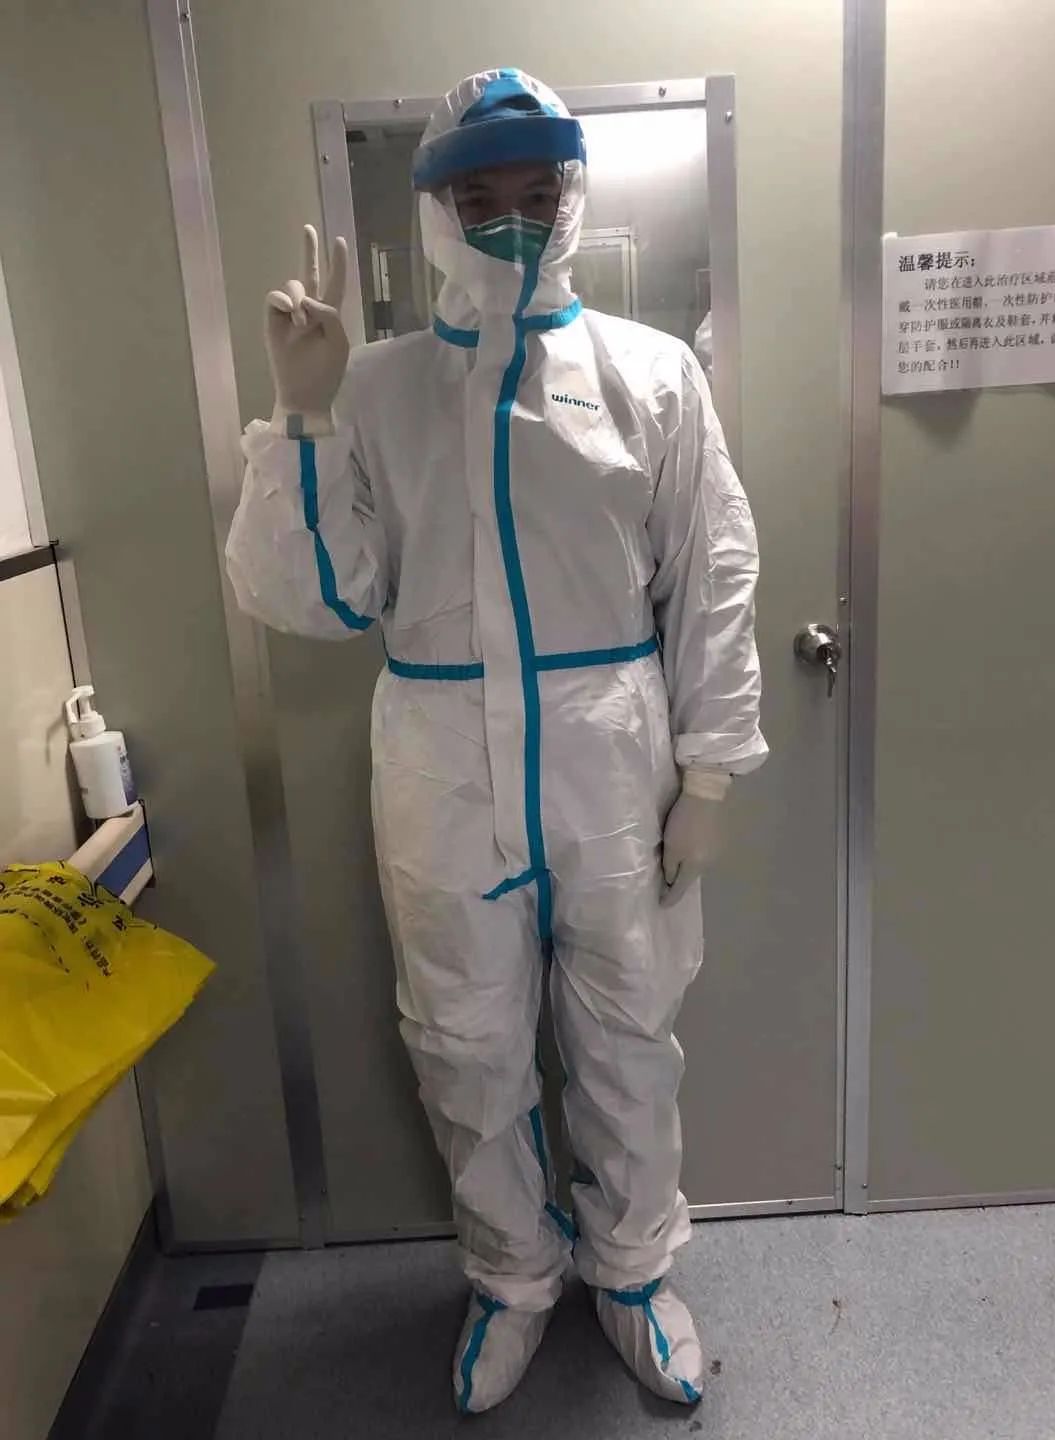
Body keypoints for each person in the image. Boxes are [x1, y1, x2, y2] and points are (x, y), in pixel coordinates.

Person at [226, 67, 767, 1415]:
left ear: (572, 193)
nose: (512, 218)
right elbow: (318, 598)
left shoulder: (653, 374)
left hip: (608, 750)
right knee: (464, 1039)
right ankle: (514, 1278)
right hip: (440, 757)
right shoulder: (380, 388)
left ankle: (633, 1274)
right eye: (481, 196)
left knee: (629, 1029)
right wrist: (303, 418)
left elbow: (712, 575)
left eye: (537, 190)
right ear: (436, 210)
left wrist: (710, 770)